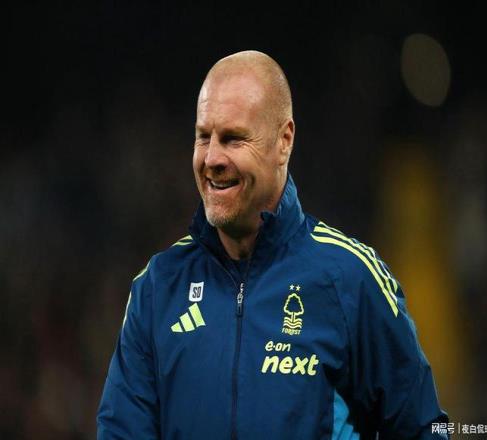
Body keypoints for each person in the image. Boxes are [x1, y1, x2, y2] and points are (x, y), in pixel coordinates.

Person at [97, 50, 449, 439]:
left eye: (233, 138)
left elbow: (424, 429)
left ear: (284, 141)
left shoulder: (350, 279)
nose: (212, 158)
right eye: (203, 136)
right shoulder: (158, 287)